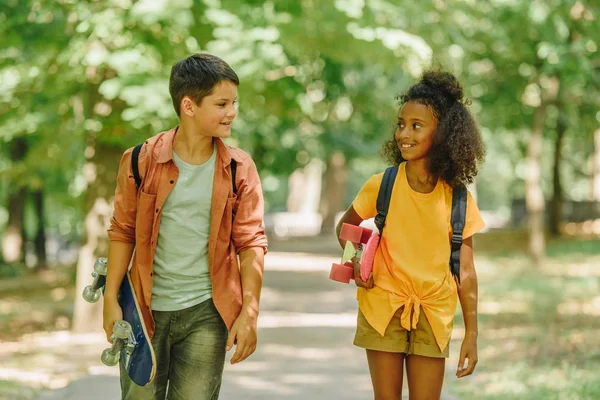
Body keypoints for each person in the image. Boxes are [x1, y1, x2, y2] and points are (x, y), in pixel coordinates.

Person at [104, 53, 268, 400]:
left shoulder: (240, 168)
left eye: (234, 103)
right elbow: (122, 231)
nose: (232, 112)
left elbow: (251, 243)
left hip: (206, 314)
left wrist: (249, 313)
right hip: (144, 311)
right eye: (222, 103)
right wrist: (110, 297)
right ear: (189, 105)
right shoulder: (140, 160)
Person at [336, 70, 486, 399]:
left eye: (417, 126)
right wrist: (355, 262)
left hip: (433, 313)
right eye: (401, 124)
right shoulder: (382, 184)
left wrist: (471, 333)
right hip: (382, 308)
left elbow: (466, 271)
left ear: (444, 134)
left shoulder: (457, 198)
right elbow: (345, 229)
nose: (404, 133)